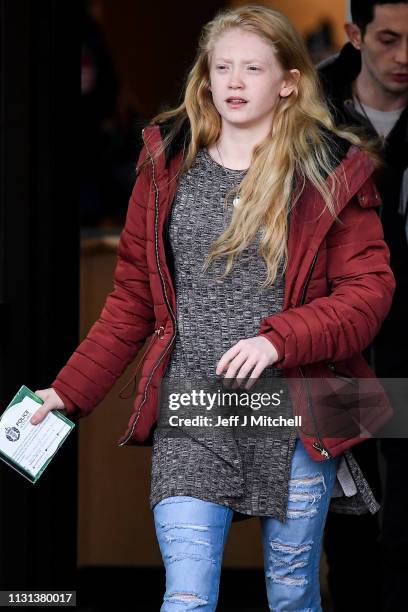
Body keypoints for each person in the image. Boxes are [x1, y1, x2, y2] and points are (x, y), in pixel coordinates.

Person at [30, 5, 395, 611]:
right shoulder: (165, 162)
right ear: (204, 77)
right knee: (188, 596)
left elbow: (368, 294)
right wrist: (66, 394)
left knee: (291, 595)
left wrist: (278, 339)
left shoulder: (332, 169)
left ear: (288, 82)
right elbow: (131, 303)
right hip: (194, 409)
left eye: (252, 68)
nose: (232, 80)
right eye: (221, 66)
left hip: (297, 412)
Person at [318, 2, 408, 610]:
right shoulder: (310, 110)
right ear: (355, 34)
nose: (404, 58)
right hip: (336, 336)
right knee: (345, 511)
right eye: (388, 39)